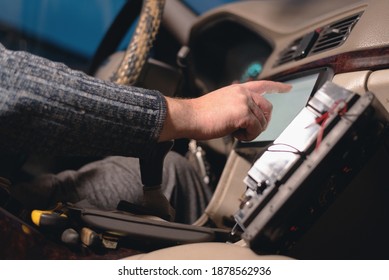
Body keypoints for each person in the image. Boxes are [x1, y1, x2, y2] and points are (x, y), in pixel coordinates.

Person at [0, 42, 291, 223]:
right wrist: (191, 113)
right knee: (174, 174)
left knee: (171, 169)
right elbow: (11, 89)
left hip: (14, 193)